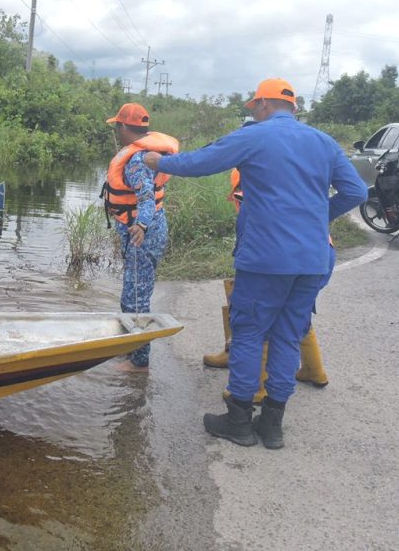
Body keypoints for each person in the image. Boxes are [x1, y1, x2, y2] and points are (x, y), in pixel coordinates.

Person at [143, 78, 366, 448]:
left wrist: (158, 161)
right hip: (312, 259)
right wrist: (316, 219)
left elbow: (201, 162)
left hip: (266, 257)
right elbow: (356, 191)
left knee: (248, 333)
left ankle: (239, 421)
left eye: (255, 106)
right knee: (287, 336)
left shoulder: (256, 135)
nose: (255, 112)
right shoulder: (325, 142)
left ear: (263, 104)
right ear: (293, 107)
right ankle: (272, 425)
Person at [206, 165, 331, 397]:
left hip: (286, 258)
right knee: (296, 315)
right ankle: (315, 370)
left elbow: (247, 238)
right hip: (320, 255)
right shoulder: (290, 190)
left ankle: (258, 387)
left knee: (257, 317)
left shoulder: (253, 199)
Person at [101, 102, 180, 372]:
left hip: (142, 235)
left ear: (124, 126)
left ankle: (140, 361)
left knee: (135, 299)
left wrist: (141, 225)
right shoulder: (148, 153)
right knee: (135, 293)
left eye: (117, 126)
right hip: (150, 230)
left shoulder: (136, 161)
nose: (117, 131)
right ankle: (132, 348)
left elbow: (146, 197)